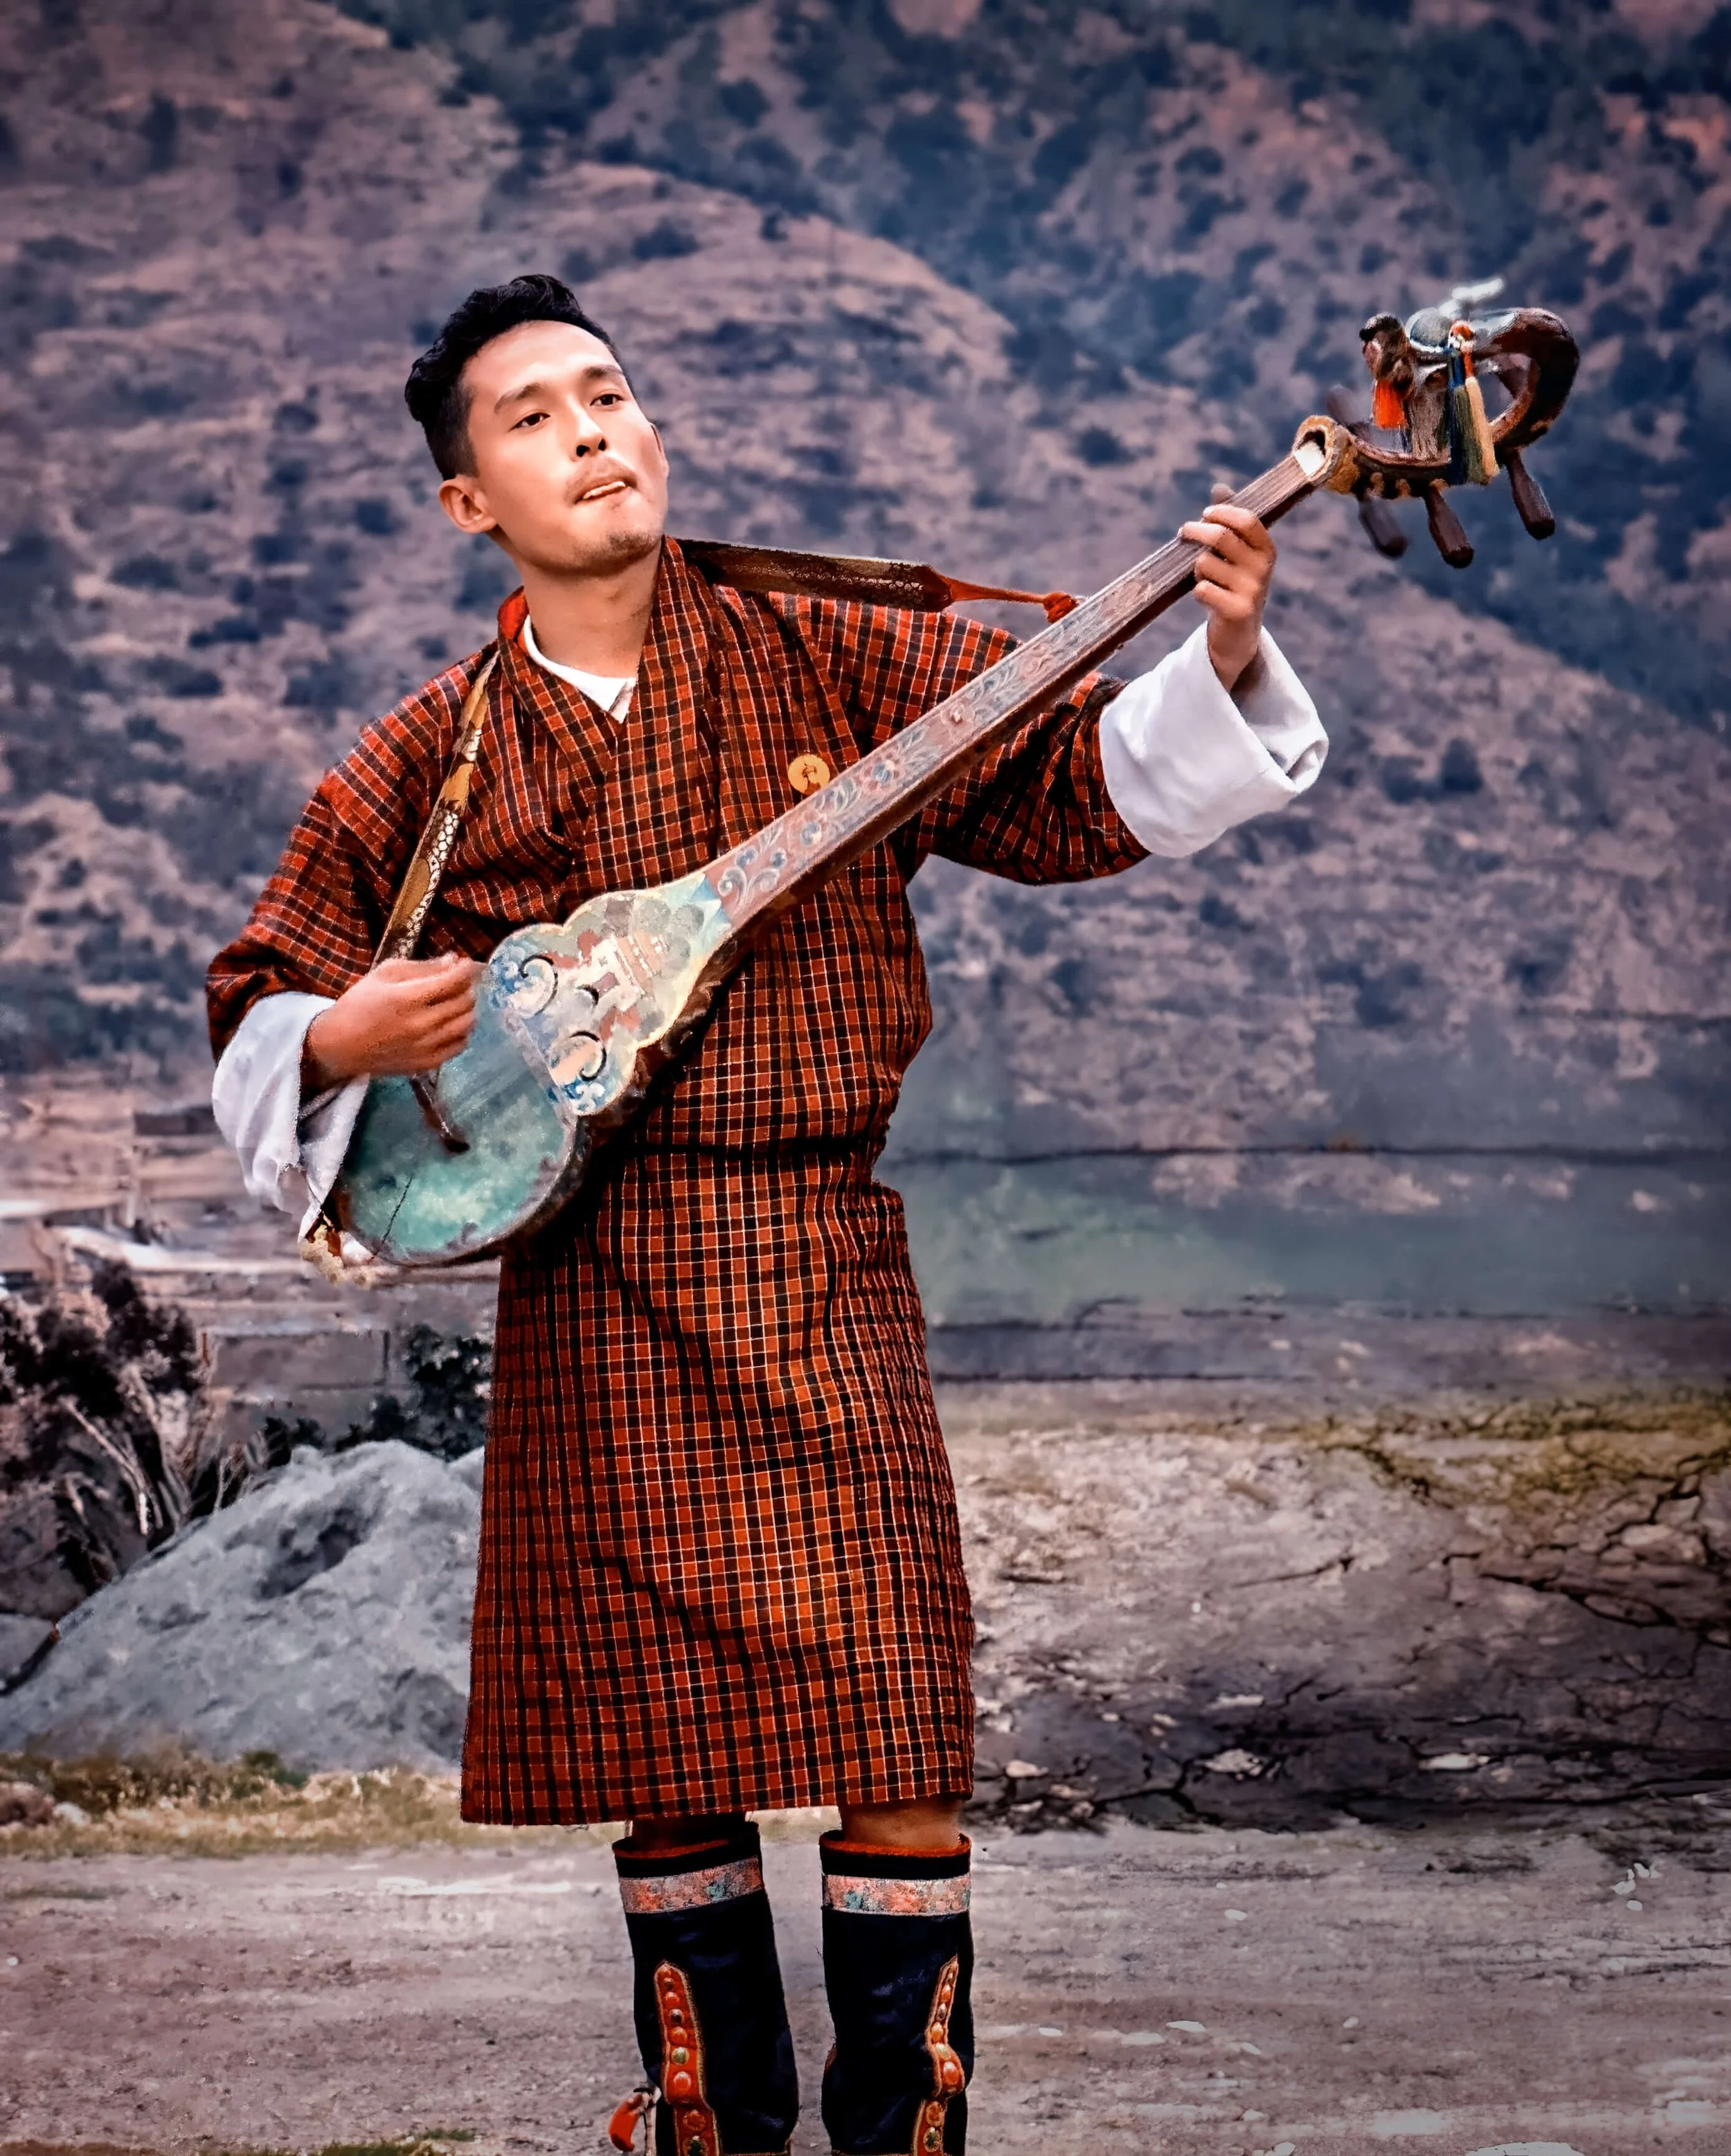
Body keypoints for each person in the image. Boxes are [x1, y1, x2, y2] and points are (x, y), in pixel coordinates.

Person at [208, 273, 1325, 2156]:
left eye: (610, 394)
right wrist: (345, 1029)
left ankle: (904, 2134)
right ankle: (710, 2127)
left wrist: (1208, 664)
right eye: (534, 417)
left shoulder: (825, 657)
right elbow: (266, 996)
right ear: (466, 500)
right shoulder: (430, 759)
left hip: (819, 1263)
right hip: (598, 1280)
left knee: (895, 1743)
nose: (592, 432)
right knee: (666, 1767)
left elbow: (1062, 798)